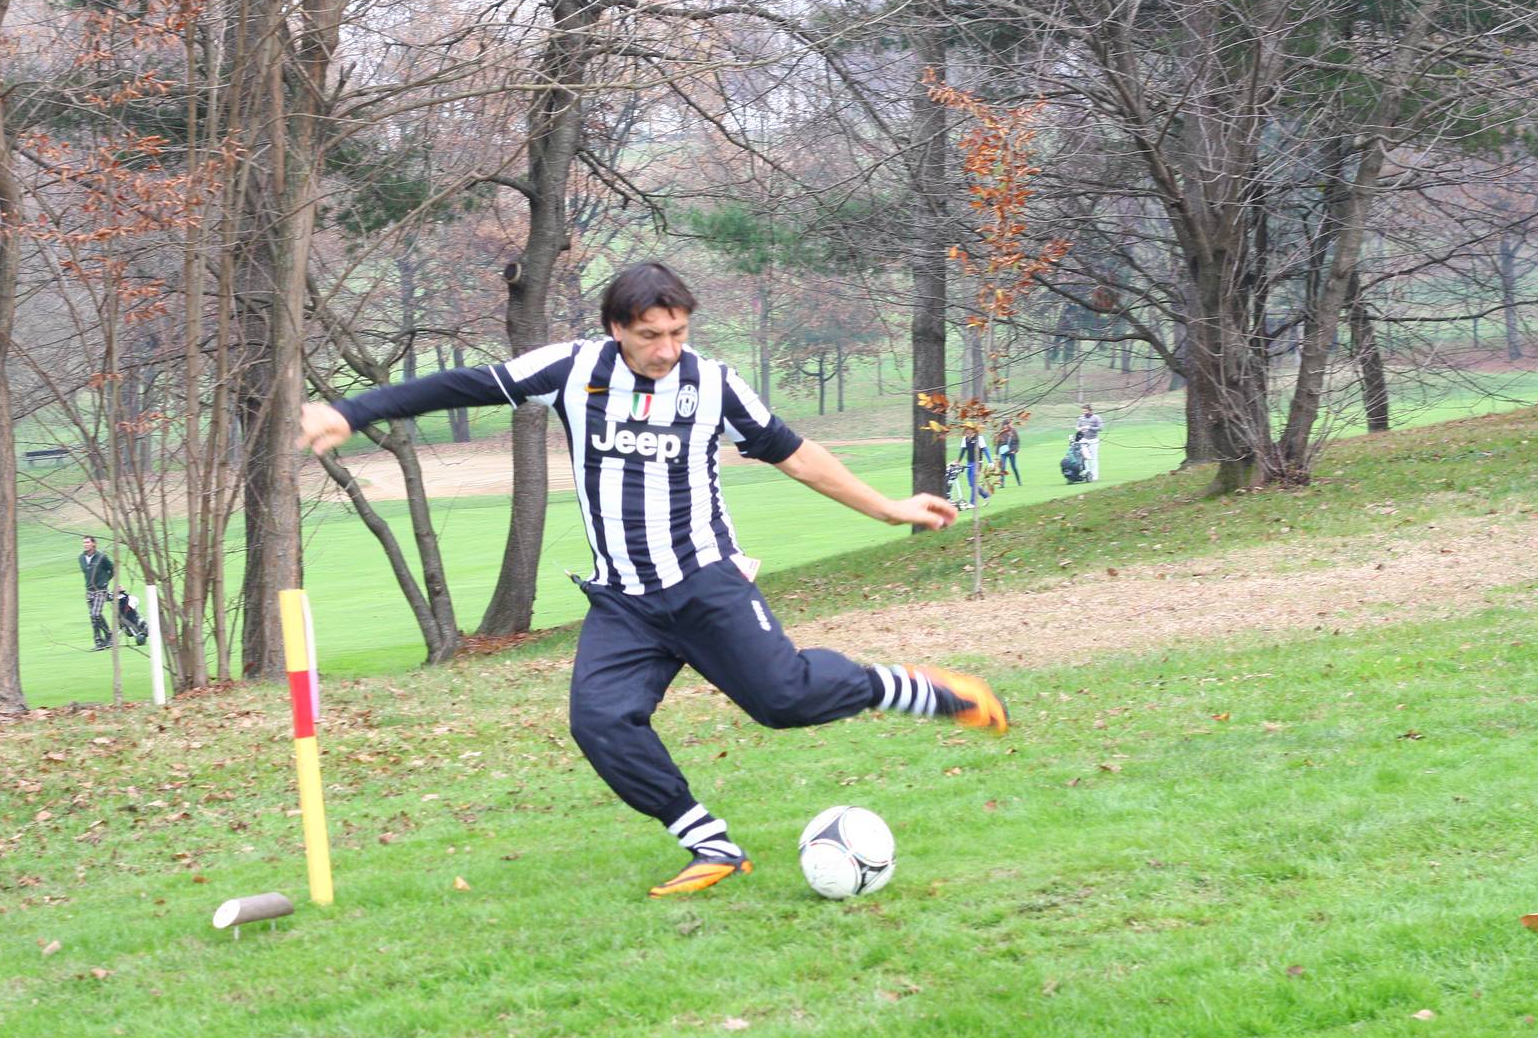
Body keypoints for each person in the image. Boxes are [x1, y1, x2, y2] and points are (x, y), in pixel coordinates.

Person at [298, 262, 1009, 898]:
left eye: (677, 332)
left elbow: (796, 455)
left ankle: (912, 690)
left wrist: (888, 508)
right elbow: (463, 384)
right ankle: (712, 847)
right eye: (651, 335)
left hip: (705, 583)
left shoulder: (714, 384)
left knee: (783, 701)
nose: (668, 350)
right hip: (624, 602)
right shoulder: (573, 370)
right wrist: (352, 411)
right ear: (617, 329)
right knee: (601, 722)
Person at [79, 536, 115, 651]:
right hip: (89, 590)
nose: (85, 544)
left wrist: (105, 581)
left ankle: (109, 636)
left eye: (88, 542)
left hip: (100, 589)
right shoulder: (81, 558)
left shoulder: (101, 557)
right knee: (94, 616)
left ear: (94, 544)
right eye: (84, 542)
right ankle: (100, 641)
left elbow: (112, 569)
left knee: (95, 614)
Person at [1075, 404, 1104, 481]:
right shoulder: (1081, 418)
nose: (1084, 413)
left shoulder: (1096, 418)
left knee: (1094, 458)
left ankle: (1095, 475)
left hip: (1093, 440)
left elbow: (1100, 428)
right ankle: (1088, 475)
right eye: (1083, 411)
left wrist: (1090, 428)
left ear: (1090, 410)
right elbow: (1077, 427)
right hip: (1084, 440)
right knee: (1085, 458)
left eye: (1086, 411)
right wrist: (1079, 429)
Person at [994, 420, 1022, 487]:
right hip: (1003, 452)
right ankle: (1002, 484)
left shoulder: (1013, 431)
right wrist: (996, 454)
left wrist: (1015, 450)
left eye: (1008, 424)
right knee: (1002, 467)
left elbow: (1017, 441)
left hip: (1011, 452)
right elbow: (998, 444)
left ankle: (1019, 482)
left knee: (1014, 467)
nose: (1006, 426)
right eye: (1005, 425)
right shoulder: (1001, 433)